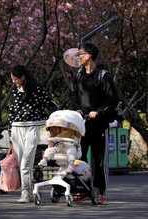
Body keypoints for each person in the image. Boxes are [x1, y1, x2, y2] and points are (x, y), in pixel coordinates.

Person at [69, 42, 119, 205]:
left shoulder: (103, 76)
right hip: (81, 125)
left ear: (88, 55)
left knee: (98, 161)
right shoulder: (77, 75)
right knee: (79, 158)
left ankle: (98, 191)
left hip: (99, 125)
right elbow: (72, 95)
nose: (77, 57)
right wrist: (77, 109)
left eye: (80, 54)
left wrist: (98, 112)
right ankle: (82, 189)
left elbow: (113, 100)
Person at [8, 65, 57, 203]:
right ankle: (27, 191)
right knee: (20, 163)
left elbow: (49, 104)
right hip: (17, 128)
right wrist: (10, 133)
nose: (14, 82)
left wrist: (59, 117)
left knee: (26, 162)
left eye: (15, 79)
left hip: (33, 127)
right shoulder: (15, 91)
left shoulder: (37, 90)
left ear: (23, 77)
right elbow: (11, 112)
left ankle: (25, 192)